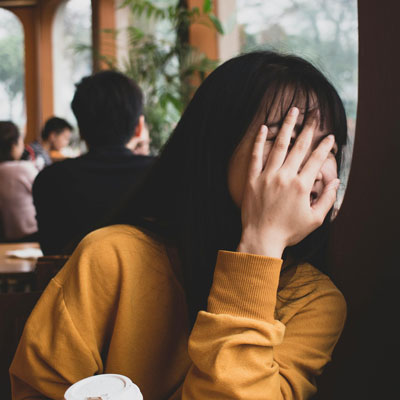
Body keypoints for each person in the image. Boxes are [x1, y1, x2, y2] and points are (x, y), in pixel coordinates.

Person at [10, 51, 348, 399]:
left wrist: (261, 245)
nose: (309, 167)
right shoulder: (112, 257)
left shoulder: (315, 300)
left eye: (328, 149)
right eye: (288, 142)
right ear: (217, 145)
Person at [32, 70, 154, 255]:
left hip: (76, 283)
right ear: (139, 128)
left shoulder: (49, 181)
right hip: (152, 284)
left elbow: (51, 254)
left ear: (80, 130)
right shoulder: (162, 174)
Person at [0, 121, 38, 241]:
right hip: (31, 234)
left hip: (5, 236)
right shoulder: (23, 168)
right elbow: (46, 194)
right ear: (13, 144)